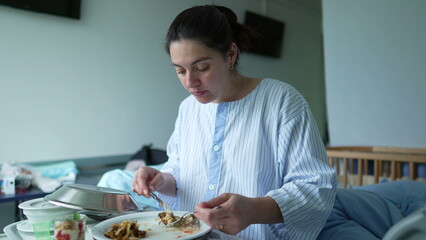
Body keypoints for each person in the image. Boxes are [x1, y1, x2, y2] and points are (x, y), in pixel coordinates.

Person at [132, 5, 336, 240]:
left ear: (231, 54)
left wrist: (254, 210)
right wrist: (162, 181)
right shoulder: (188, 108)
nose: (190, 82)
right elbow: (180, 171)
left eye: (202, 68)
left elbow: (315, 188)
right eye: (180, 71)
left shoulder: (282, 101)